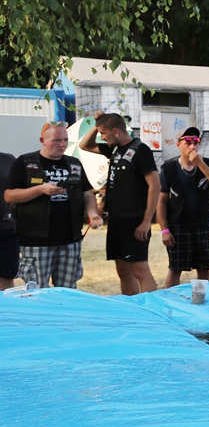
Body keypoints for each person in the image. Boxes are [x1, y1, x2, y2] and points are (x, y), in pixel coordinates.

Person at [4, 122, 103, 288]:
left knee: (67, 289)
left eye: (65, 140)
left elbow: (87, 193)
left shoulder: (74, 164)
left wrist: (93, 214)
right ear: (42, 140)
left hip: (70, 239)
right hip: (35, 239)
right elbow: (9, 196)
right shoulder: (25, 162)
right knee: (37, 290)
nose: (62, 144)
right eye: (57, 140)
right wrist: (40, 189)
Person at [79, 112, 160, 295]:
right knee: (123, 270)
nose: (101, 137)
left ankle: (150, 307)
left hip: (135, 219)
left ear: (115, 131)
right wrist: (97, 124)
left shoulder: (140, 150)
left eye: (103, 133)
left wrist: (146, 221)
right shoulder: (114, 149)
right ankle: (130, 305)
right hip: (116, 218)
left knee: (139, 269)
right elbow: (85, 145)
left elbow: (155, 186)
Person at [157, 128, 209, 287]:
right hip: (178, 225)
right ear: (178, 144)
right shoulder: (169, 168)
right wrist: (165, 230)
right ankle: (170, 298)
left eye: (196, 141)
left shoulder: (208, 163)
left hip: (202, 224)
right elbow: (161, 201)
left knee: (203, 268)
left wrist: (200, 164)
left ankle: (201, 298)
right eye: (187, 141)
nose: (192, 146)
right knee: (175, 268)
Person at [0, 148, 20, 290]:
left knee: (6, 275)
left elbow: (21, 186)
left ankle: (5, 303)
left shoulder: (8, 160)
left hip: (6, 228)